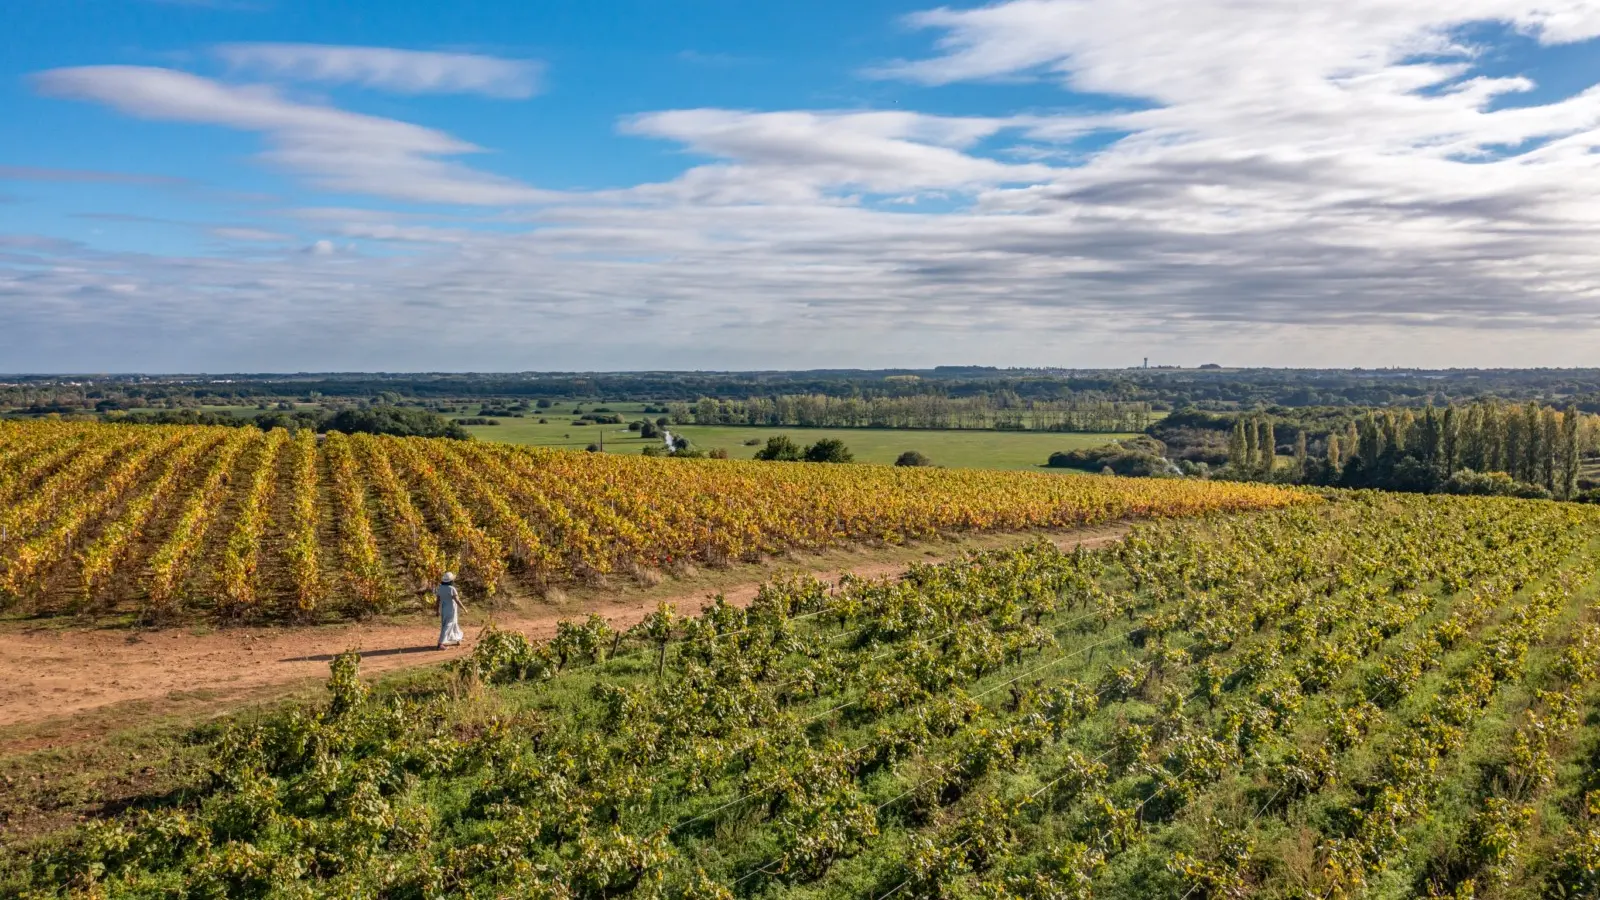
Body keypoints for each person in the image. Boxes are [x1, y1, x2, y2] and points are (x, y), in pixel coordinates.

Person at [436, 572, 466, 650]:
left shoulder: (440, 588)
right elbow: (457, 600)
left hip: (443, 609)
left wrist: (437, 610)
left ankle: (455, 639)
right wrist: (464, 608)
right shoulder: (452, 589)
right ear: (451, 581)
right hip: (451, 609)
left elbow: (437, 600)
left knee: (450, 624)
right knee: (449, 625)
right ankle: (440, 643)